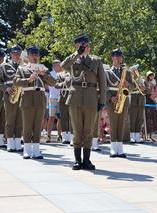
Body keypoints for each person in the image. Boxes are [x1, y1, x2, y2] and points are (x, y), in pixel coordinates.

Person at [61, 33, 106, 170]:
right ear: (77, 46)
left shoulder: (96, 60)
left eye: (87, 45)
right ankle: (77, 160)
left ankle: (87, 160)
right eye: (83, 46)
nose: (86, 47)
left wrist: (102, 100)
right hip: (75, 98)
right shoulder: (74, 59)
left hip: (91, 97)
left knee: (88, 131)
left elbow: (102, 82)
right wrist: (76, 53)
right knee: (77, 130)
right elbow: (63, 66)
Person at [13, 45, 57, 159]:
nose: (34, 56)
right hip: (27, 99)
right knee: (27, 125)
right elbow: (16, 81)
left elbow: (54, 83)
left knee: (38, 125)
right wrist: (29, 79)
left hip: (40, 100)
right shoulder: (22, 69)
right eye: (32, 54)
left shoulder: (43, 68)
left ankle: (36, 150)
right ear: (28, 56)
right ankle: (27, 150)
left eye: (36, 54)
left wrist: (44, 75)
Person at [105, 48, 133, 157]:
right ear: (112, 57)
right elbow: (104, 86)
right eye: (116, 56)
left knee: (121, 124)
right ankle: (113, 148)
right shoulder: (107, 72)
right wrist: (110, 98)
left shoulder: (127, 72)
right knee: (113, 123)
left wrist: (128, 85)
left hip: (123, 99)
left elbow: (132, 87)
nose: (118, 58)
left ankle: (120, 148)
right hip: (112, 99)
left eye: (120, 56)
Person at [0, 45, 23, 152]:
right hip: (9, 95)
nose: (17, 55)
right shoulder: (4, 66)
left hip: (22, 96)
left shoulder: (24, 66)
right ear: (11, 54)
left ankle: (17, 143)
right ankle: (10, 143)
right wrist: (6, 88)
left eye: (18, 53)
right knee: (10, 119)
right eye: (15, 53)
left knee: (20, 120)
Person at [54, 61, 73, 144]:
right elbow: (56, 85)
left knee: (72, 117)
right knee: (64, 117)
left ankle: (72, 136)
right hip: (63, 96)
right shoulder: (59, 74)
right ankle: (65, 136)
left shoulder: (74, 74)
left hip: (72, 96)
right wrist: (63, 84)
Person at [129, 65, 147, 143]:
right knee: (133, 118)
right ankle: (132, 136)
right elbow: (130, 88)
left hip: (140, 98)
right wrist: (136, 83)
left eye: (136, 70)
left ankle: (137, 136)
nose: (136, 72)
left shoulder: (141, 79)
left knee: (139, 119)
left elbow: (146, 90)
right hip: (133, 97)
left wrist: (143, 87)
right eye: (134, 70)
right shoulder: (130, 79)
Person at [46, 60, 62, 143]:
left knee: (60, 118)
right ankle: (48, 136)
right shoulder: (50, 73)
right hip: (53, 98)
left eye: (59, 65)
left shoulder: (63, 74)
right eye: (56, 65)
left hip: (61, 98)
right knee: (51, 117)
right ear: (53, 66)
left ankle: (59, 136)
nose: (58, 66)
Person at [144, 71, 157, 142]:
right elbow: (148, 94)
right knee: (147, 119)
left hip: (153, 102)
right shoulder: (146, 83)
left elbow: (156, 93)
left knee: (153, 119)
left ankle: (151, 136)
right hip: (148, 101)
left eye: (152, 75)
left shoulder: (154, 84)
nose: (152, 76)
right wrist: (154, 100)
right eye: (150, 75)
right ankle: (144, 135)